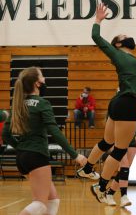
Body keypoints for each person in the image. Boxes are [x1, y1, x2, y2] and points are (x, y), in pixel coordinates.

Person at [77, 3, 136, 203]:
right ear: (118, 44)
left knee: (106, 143)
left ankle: (87, 168)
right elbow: (96, 38)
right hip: (125, 103)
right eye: (123, 36)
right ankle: (101, 188)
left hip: (118, 103)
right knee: (118, 151)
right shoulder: (117, 54)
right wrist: (98, 20)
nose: (127, 36)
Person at [2, 66, 86, 215]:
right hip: (37, 156)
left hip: (22, 157)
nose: (45, 79)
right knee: (40, 204)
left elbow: (6, 135)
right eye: (42, 77)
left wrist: (21, 147)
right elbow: (55, 132)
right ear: (37, 83)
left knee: (53, 200)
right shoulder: (42, 103)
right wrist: (75, 155)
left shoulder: (18, 104)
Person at [105, 110, 136, 207]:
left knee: (124, 170)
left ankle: (109, 194)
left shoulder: (134, 108)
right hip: (119, 141)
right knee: (124, 166)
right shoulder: (114, 107)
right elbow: (109, 127)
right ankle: (124, 196)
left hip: (132, 142)